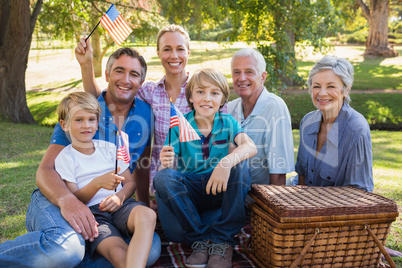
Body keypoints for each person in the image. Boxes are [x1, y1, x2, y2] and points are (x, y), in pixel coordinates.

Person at [0, 47, 161, 267]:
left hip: (113, 208)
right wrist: (68, 201)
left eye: (133, 74)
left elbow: (139, 168)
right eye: (119, 70)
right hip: (60, 195)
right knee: (67, 251)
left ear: (141, 81)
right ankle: (66, 250)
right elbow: (46, 171)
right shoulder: (82, 111)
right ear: (106, 74)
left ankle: (76, 253)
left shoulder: (145, 113)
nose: (126, 79)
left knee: (149, 251)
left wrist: (141, 202)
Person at [76, 25, 227, 205]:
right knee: (177, 232)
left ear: (188, 52)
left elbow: (225, 135)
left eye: (180, 49)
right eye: (167, 49)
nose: (174, 55)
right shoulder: (149, 92)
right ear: (158, 52)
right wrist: (86, 65)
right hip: (167, 184)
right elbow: (104, 98)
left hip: (202, 180)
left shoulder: (205, 93)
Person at [153, 68, 257, 268]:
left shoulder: (227, 122)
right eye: (200, 92)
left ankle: (223, 241)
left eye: (214, 93)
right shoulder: (180, 123)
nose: (207, 98)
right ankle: (199, 240)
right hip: (190, 190)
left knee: (240, 165)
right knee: (164, 177)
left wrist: (225, 163)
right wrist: (165, 163)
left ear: (222, 99)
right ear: (190, 97)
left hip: (218, 187)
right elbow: (165, 170)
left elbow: (250, 146)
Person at [55, 92, 156, 268]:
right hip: (94, 216)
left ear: (97, 122)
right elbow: (75, 200)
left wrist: (120, 197)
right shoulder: (65, 158)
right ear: (64, 124)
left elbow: (130, 183)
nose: (86, 125)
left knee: (147, 215)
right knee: (119, 254)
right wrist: (97, 184)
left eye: (91, 119)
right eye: (79, 120)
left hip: (121, 207)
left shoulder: (110, 148)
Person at [291, 55, 373, 191]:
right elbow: (302, 177)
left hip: (340, 210)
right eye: (316, 86)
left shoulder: (356, 129)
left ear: (346, 90)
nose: (322, 93)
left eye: (331, 86)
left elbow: (360, 191)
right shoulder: (307, 122)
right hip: (304, 205)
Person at [227, 48, 295, 189]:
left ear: (263, 77)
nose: (242, 78)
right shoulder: (228, 109)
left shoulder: (275, 107)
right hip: (227, 193)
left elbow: (278, 173)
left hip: (258, 199)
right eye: (236, 72)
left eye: (249, 72)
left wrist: (268, 209)